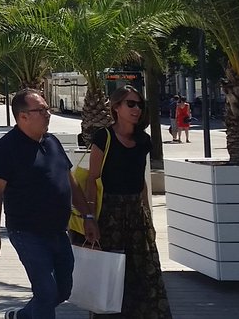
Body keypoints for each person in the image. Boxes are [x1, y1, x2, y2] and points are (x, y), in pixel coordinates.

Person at [0, 89, 96, 319]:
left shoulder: (52, 141)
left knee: (63, 290)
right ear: (23, 116)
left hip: (58, 231)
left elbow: (70, 181)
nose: (48, 114)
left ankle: (21, 316)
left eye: (47, 109)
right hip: (27, 233)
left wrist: (88, 216)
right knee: (45, 292)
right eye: (42, 110)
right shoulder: (6, 149)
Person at [77, 85, 172, 318]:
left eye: (139, 104)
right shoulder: (104, 137)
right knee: (110, 270)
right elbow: (93, 179)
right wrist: (90, 218)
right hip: (110, 213)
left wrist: (147, 215)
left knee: (144, 271)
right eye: (130, 104)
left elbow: (141, 180)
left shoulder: (143, 140)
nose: (136, 109)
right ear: (116, 107)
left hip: (136, 214)